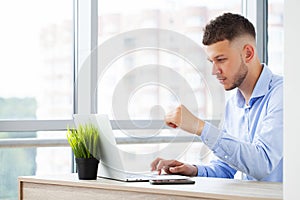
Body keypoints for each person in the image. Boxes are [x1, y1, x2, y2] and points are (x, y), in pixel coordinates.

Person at [150, 13, 283, 182]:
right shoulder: (233, 104)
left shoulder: (283, 95)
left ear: (248, 53)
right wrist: (191, 170)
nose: (214, 71)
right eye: (211, 61)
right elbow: (225, 168)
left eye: (221, 60)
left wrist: (199, 127)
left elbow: (262, 164)